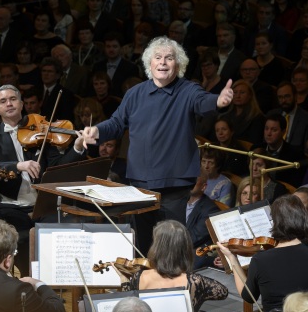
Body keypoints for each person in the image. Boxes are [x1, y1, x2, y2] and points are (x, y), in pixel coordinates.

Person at [82, 36, 234, 247]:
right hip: (140, 183)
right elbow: (116, 123)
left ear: (178, 64)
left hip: (174, 184)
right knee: (142, 245)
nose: (163, 62)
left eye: (169, 58)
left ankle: (172, 281)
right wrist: (96, 131)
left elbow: (204, 102)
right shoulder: (135, 93)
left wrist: (219, 101)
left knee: (170, 245)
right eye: (158, 57)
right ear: (149, 63)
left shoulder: (188, 90)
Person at [0, 85, 86, 276]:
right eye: (3, 101)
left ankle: (54, 280)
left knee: (63, 233)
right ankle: (31, 281)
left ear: (21, 104)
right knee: (22, 240)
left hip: (42, 204)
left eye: (13, 99)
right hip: (10, 205)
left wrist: (77, 148)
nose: (9, 103)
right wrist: (17, 166)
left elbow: (58, 167)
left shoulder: (41, 129)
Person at [218, 194, 308, 312]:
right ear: (303, 219)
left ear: (274, 222)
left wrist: (232, 257)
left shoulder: (259, 260)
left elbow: (248, 297)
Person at [114, 220, 228, 312]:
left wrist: (124, 281)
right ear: (185, 248)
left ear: (157, 247)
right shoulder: (195, 281)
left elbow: (128, 308)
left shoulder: (139, 277)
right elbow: (223, 292)